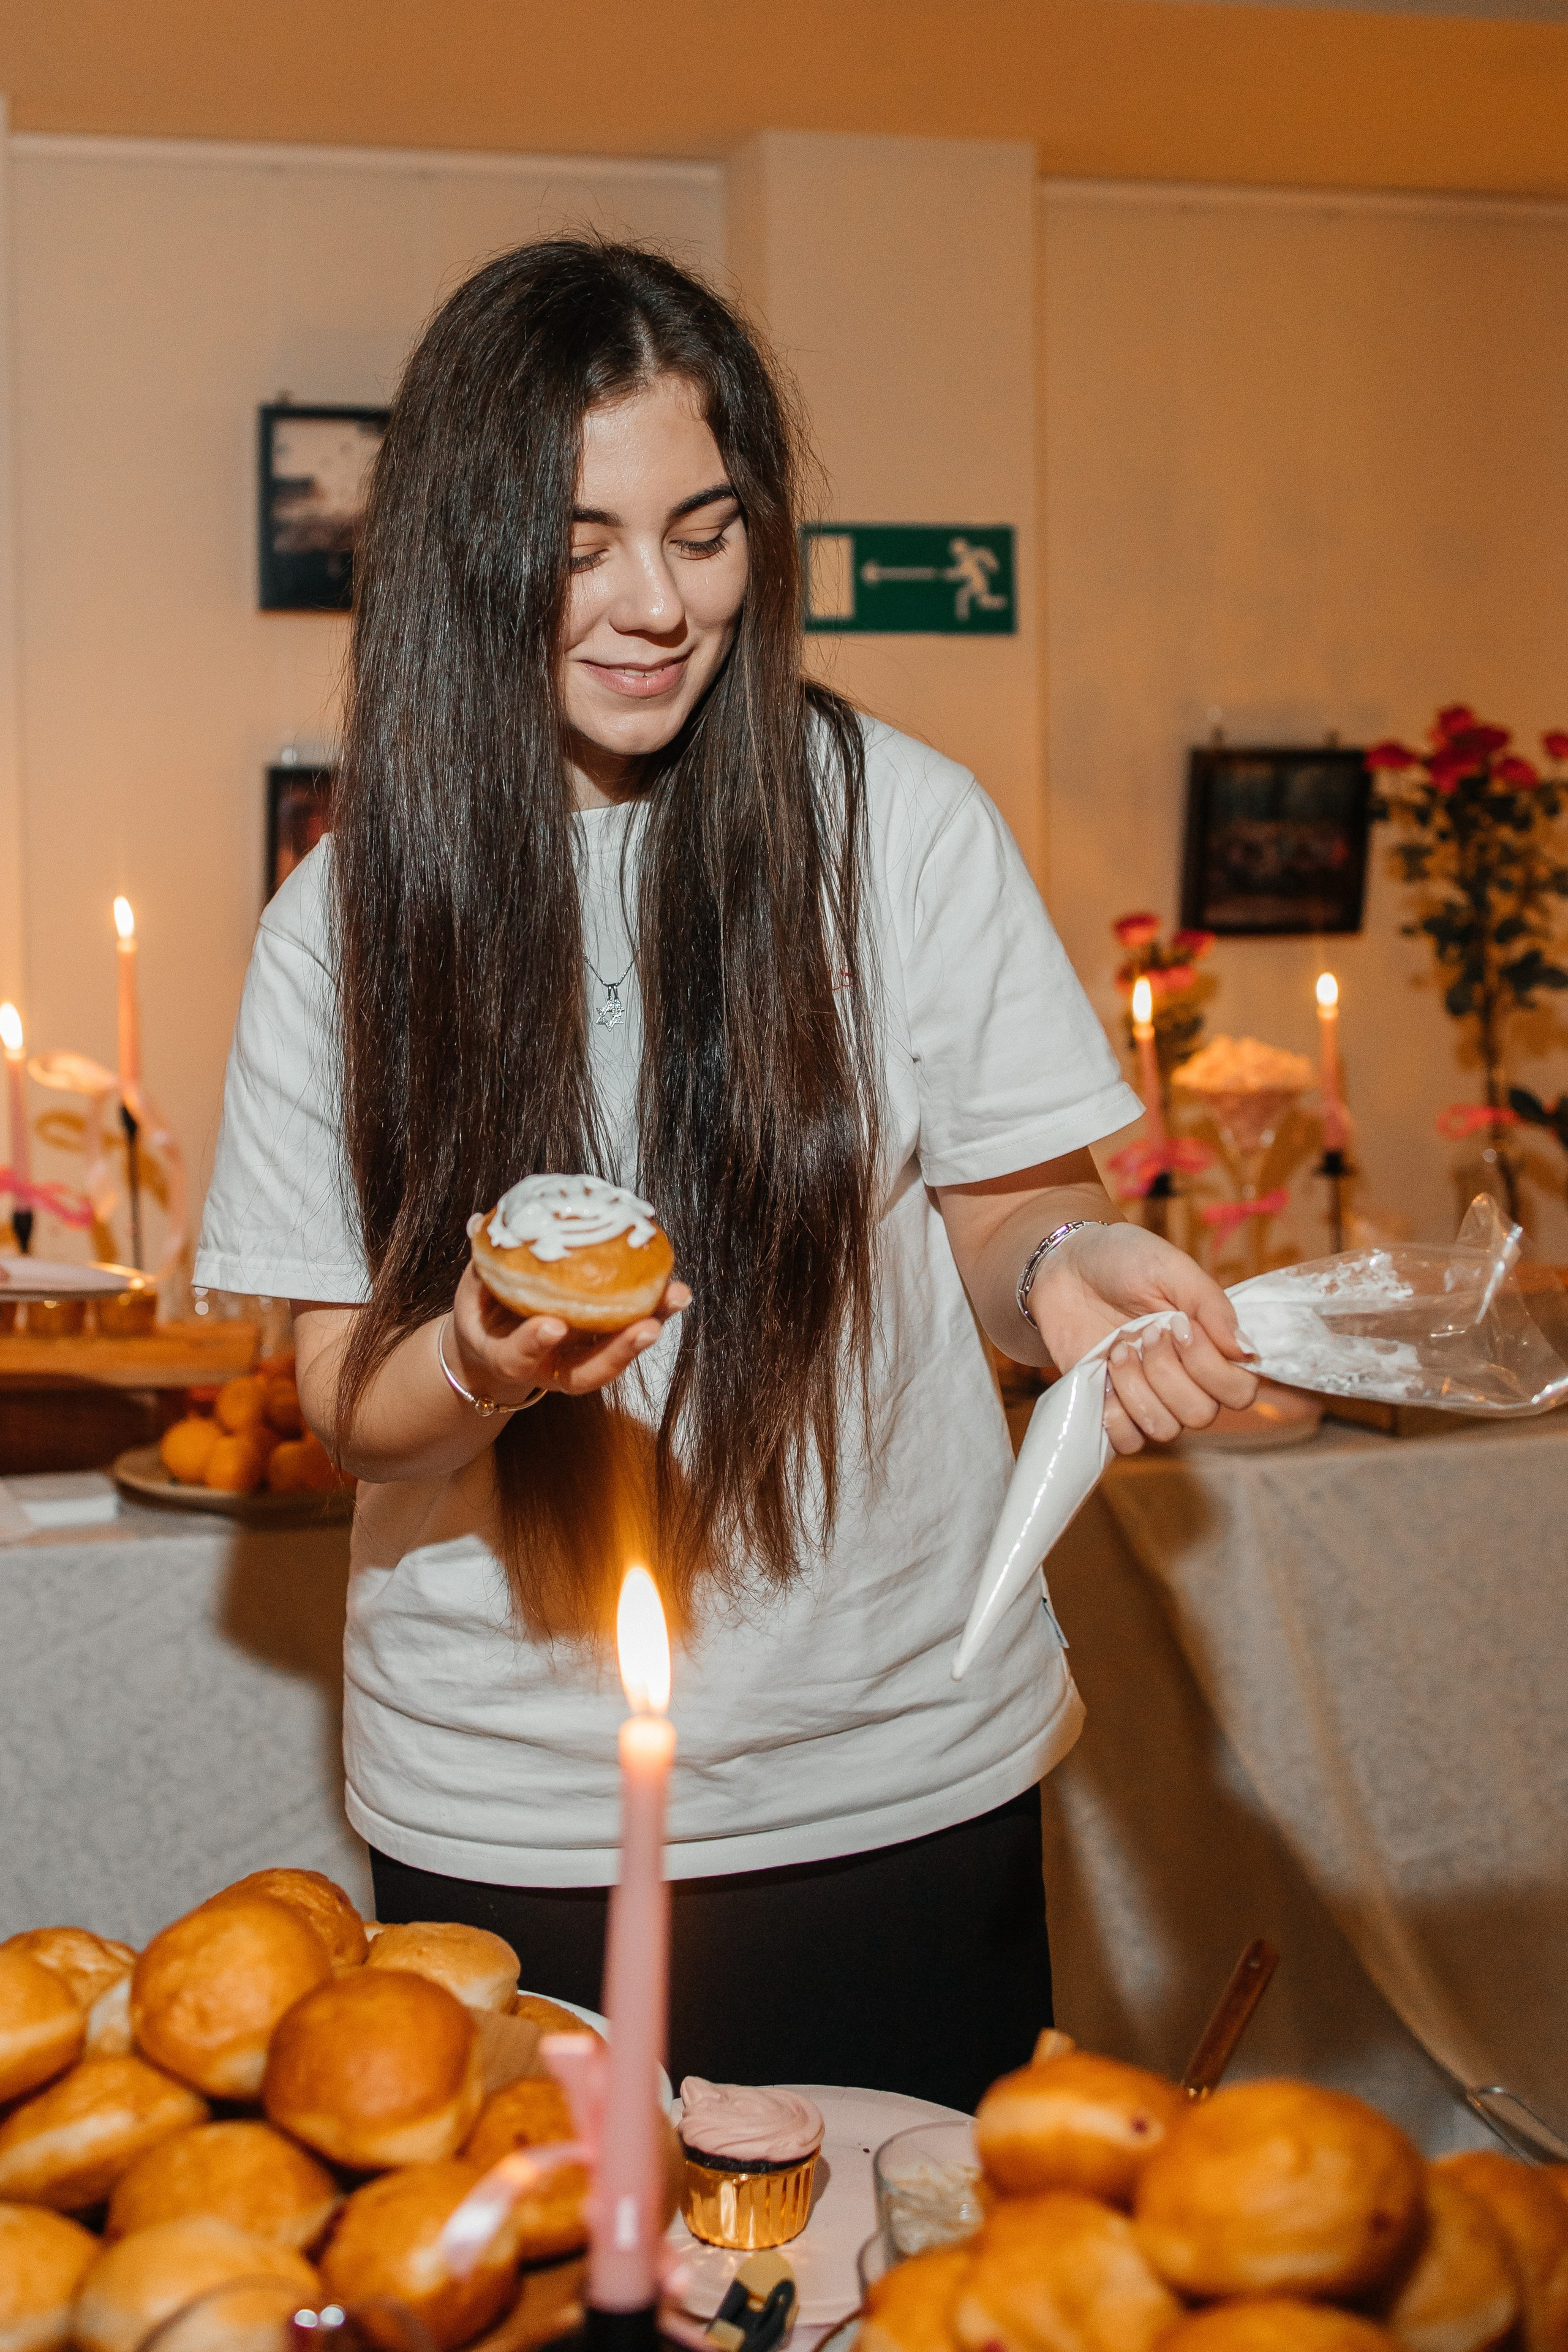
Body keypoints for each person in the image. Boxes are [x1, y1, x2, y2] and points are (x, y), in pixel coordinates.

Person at [196, 240, 1257, 2111]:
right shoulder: (344, 924)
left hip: (898, 1763)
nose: (656, 603)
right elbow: (341, 1401)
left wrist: (1073, 1266)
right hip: (517, 1811)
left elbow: (1013, 1215)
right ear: (466, 551)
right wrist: (486, 1354)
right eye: (583, 541)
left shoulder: (899, 825)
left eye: (705, 531)